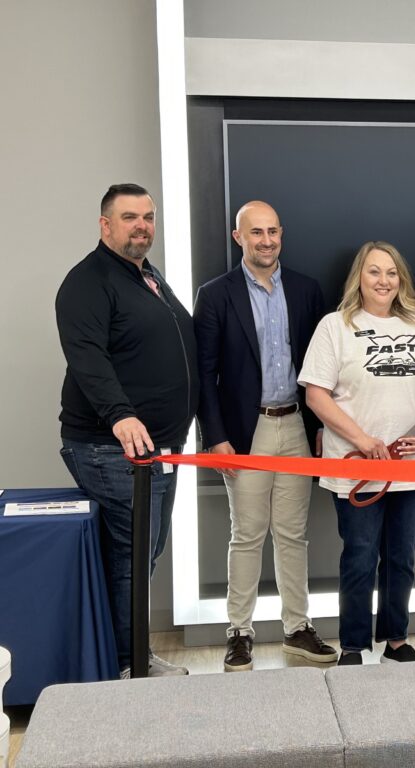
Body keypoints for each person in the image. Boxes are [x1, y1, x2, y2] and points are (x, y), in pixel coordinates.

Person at [56, 183, 198, 678]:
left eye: (149, 217)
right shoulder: (88, 281)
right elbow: (87, 357)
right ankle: (126, 665)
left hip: (159, 448)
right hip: (112, 449)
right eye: (131, 217)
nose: (143, 226)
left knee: (144, 553)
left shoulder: (146, 276)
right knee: (131, 559)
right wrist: (120, 414)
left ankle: (127, 656)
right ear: (105, 224)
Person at [194, 201, 337, 671]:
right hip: (244, 431)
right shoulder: (216, 295)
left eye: (273, 231)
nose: (267, 240)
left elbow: (322, 369)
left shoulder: (306, 290)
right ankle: (240, 631)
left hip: (296, 423)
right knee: (248, 534)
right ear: (239, 238)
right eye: (256, 232)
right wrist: (215, 437)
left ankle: (297, 628)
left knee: (294, 534)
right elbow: (205, 374)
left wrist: (321, 431)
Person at [299, 241, 415, 665]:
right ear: (359, 279)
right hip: (357, 468)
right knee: (360, 557)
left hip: (411, 466)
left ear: (400, 279)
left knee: (401, 557)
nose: (383, 280)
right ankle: (353, 646)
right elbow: (316, 396)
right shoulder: (335, 326)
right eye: (374, 272)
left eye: (391, 272)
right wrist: (364, 441)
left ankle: (397, 642)